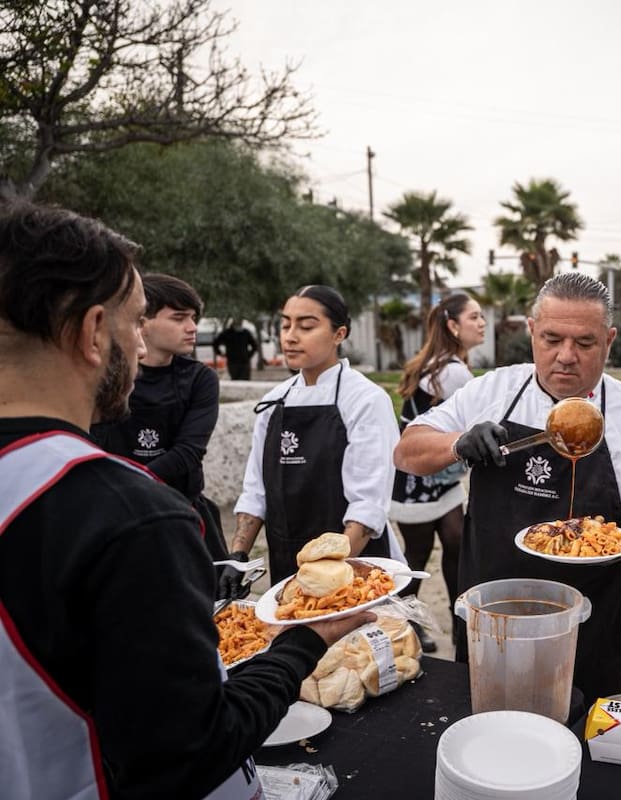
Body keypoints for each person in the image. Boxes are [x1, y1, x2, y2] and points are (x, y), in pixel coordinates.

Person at [0, 202, 371, 799]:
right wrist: (303, 643)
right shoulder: (132, 517)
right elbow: (190, 751)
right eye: (137, 320)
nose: (141, 339)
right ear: (94, 332)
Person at [394, 272, 621, 706]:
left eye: (585, 343)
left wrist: (613, 544)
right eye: (551, 339)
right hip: (491, 611)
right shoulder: (493, 390)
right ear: (531, 332)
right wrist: (457, 443)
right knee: (481, 724)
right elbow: (407, 450)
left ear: (610, 340)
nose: (566, 356)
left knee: (578, 736)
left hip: (585, 624)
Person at [222, 285, 401, 593]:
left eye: (306, 326)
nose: (290, 336)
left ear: (339, 334)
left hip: (352, 568)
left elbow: (367, 505)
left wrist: (328, 581)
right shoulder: (273, 402)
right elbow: (255, 492)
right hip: (286, 558)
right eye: (285, 324)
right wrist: (237, 557)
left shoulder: (365, 400)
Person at [92, 273, 228, 562]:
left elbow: (188, 452)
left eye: (193, 318)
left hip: (183, 511)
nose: (192, 328)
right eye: (179, 318)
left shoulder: (200, 379)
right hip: (116, 515)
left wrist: (134, 485)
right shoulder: (107, 377)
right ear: (143, 322)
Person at [390, 293, 487, 653]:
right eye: (474, 317)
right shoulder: (453, 372)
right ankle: (400, 622)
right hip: (420, 482)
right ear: (452, 325)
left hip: (436, 483)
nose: (482, 323)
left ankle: (457, 621)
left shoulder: (436, 363)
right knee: (417, 555)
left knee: (454, 542)